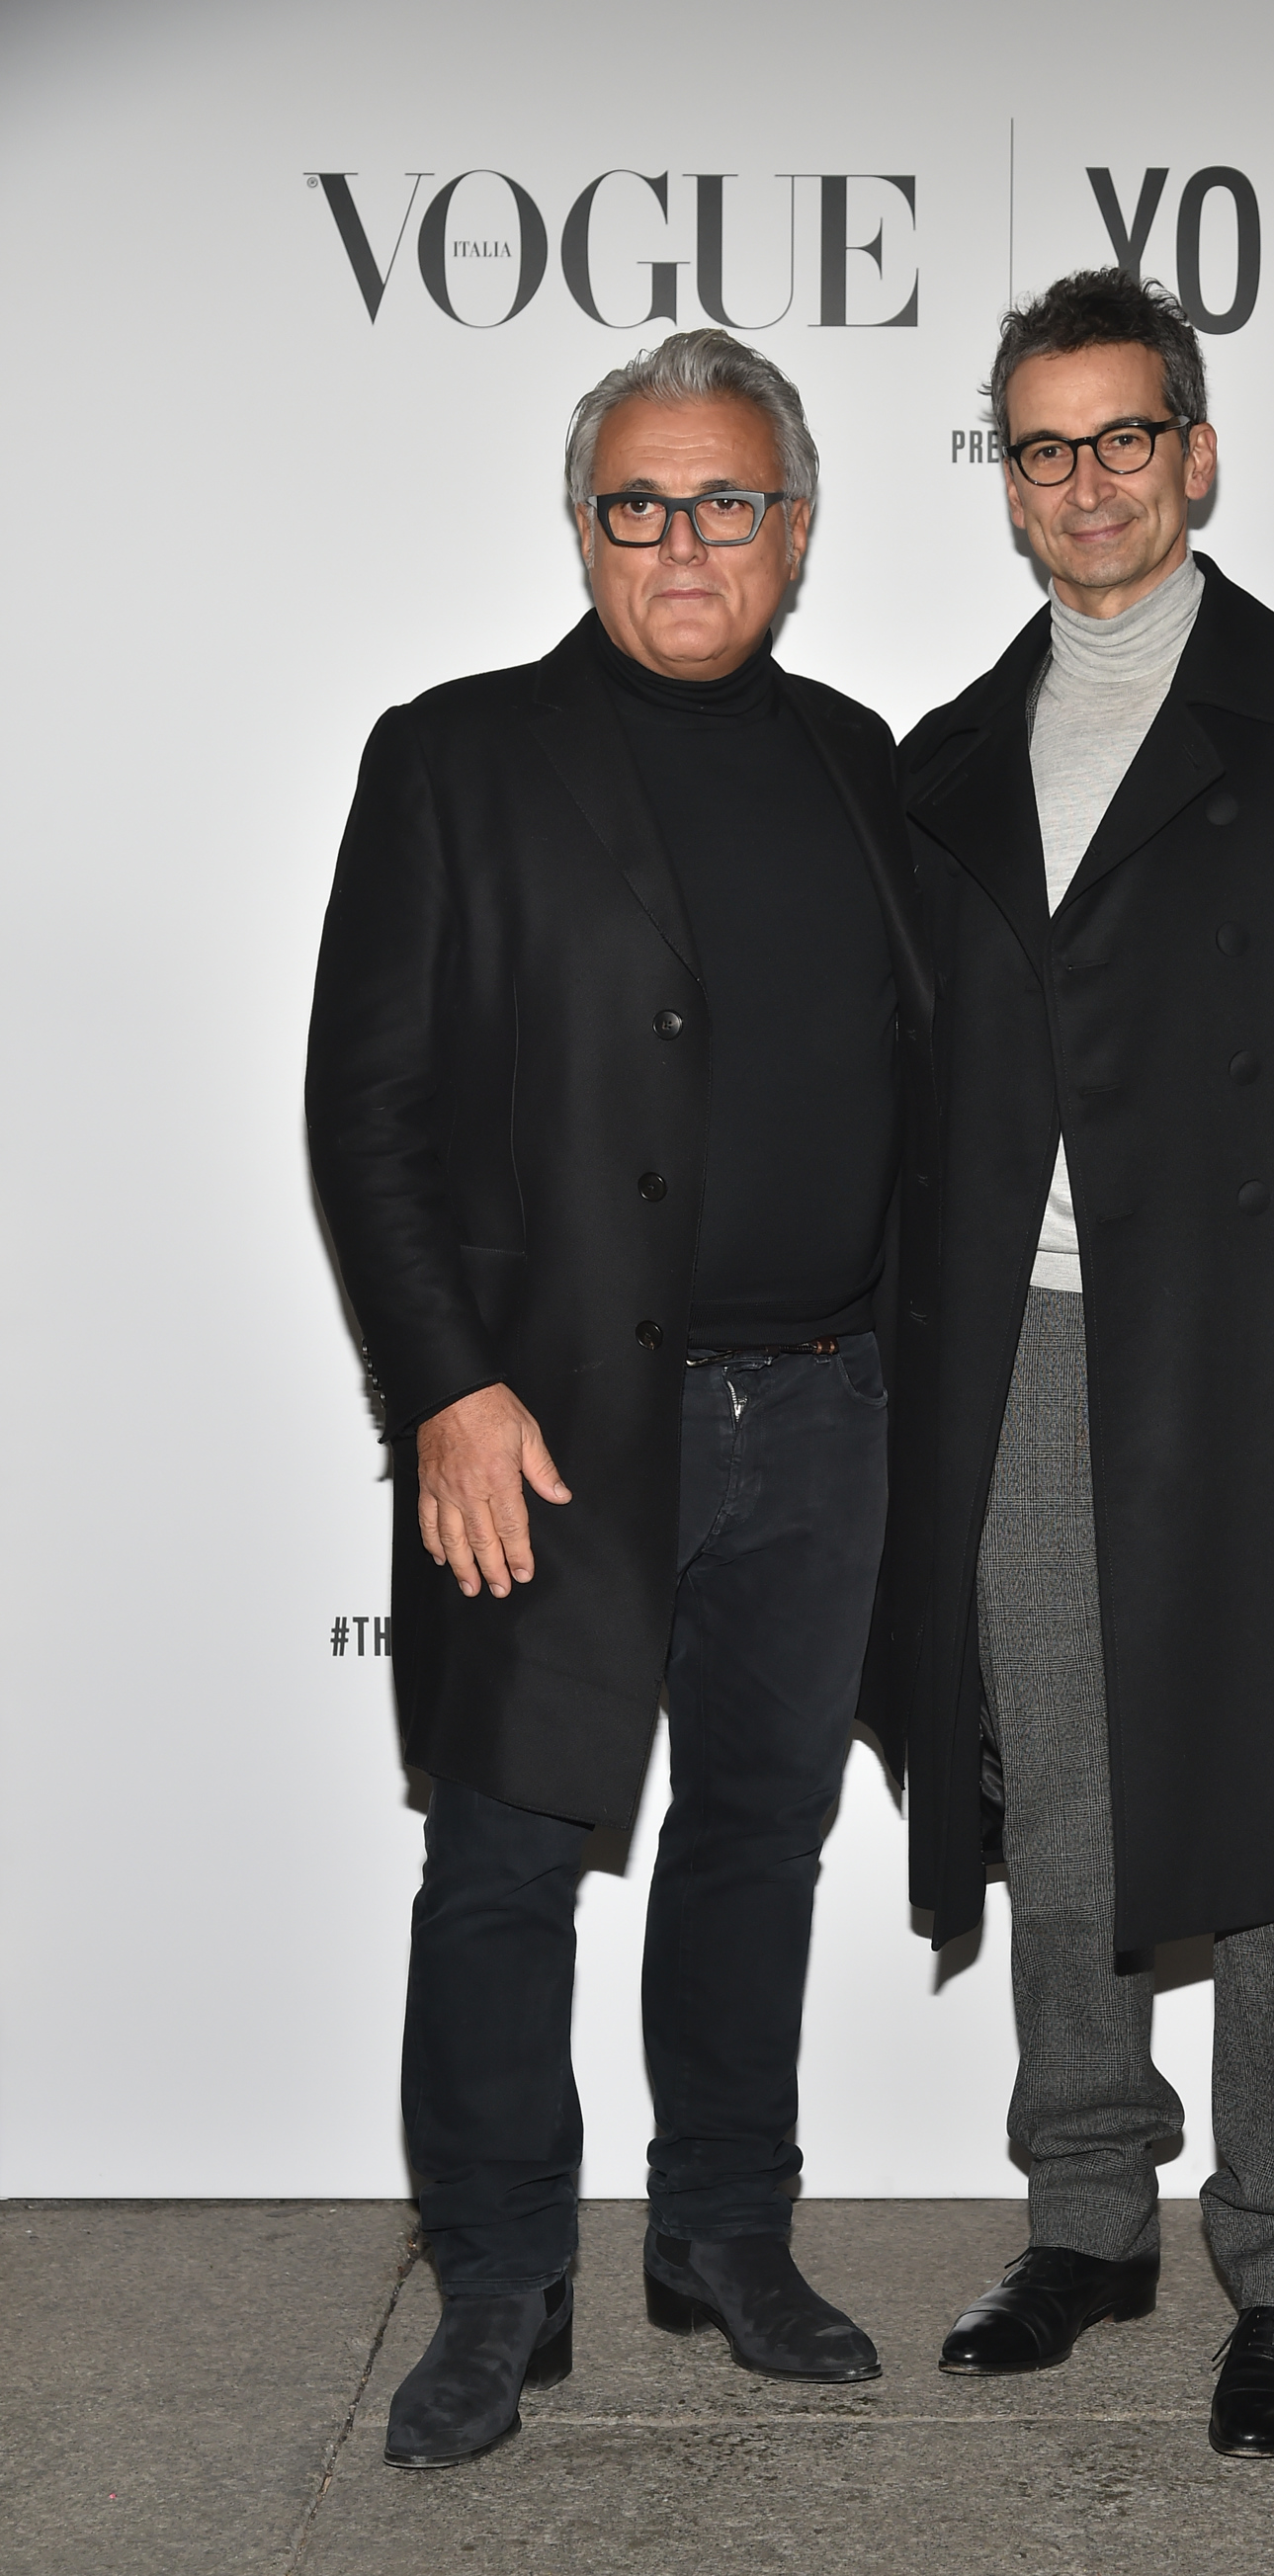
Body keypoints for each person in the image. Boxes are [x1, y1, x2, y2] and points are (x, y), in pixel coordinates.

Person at [306, 328, 935, 2468]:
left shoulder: (861, 761)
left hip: (826, 1405)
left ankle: (723, 2235)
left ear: (796, 526)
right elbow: (365, 1109)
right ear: (583, 529)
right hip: (551, 1424)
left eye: (726, 500)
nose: (684, 542)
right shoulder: (454, 757)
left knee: (758, 1837)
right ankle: (497, 2279)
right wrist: (445, 1390)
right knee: (503, 1851)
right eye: (639, 503)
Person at [898, 270, 1274, 2457]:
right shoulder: (945, 761)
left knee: (1273, 1817)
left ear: (1197, 453)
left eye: (1125, 437)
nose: (1089, 482)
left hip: (1271, 1350)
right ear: (1011, 483)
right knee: (1056, 1799)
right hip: (1030, 1345)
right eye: (1045, 447)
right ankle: (1085, 2215)